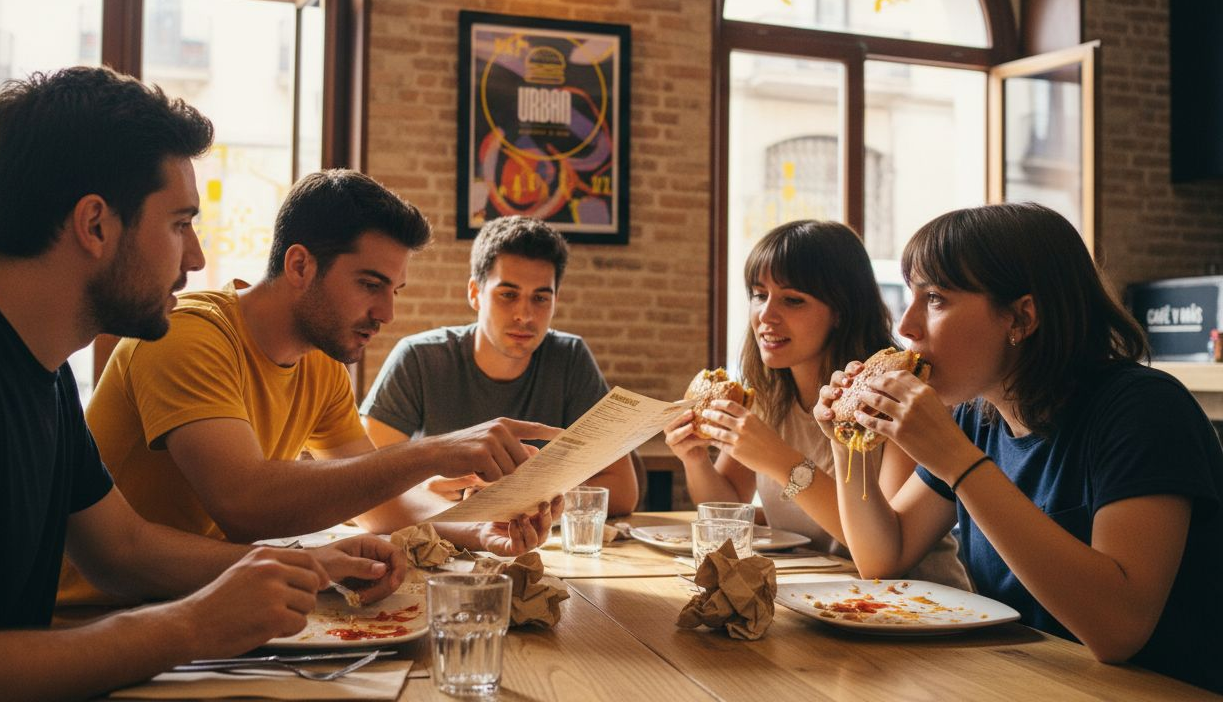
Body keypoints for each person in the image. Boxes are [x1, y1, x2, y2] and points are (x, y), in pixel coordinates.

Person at [0, 67, 405, 701]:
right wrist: (187, 626)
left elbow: (121, 549)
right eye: (180, 224)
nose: (196, 259)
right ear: (96, 225)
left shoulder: (35, 367)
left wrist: (310, 568)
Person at [59, 169, 561, 608]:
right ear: (299, 266)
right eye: (370, 284)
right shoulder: (188, 334)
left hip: (205, 601)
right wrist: (431, 453)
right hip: (97, 617)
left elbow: (378, 506)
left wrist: (477, 531)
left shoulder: (319, 364)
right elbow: (244, 503)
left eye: (393, 290)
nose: (387, 313)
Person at [813, 203, 1223, 693]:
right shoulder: (976, 415)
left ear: (1022, 317)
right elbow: (885, 556)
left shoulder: (1143, 410)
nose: (906, 326)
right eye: (911, 296)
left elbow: (1119, 631)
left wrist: (958, 464)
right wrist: (849, 443)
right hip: (1029, 680)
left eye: (936, 299)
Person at [662, 220, 967, 587]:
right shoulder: (771, 396)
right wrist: (694, 458)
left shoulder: (892, 396)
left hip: (920, 610)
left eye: (792, 300)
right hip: (823, 601)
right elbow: (728, 512)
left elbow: (884, 549)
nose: (766, 316)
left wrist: (782, 462)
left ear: (840, 311)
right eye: (759, 295)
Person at [360, 215, 639, 515]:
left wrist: (519, 497)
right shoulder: (419, 357)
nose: (525, 315)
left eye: (541, 298)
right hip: (445, 538)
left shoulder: (569, 357)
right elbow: (361, 484)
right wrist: (421, 491)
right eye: (508, 294)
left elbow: (622, 491)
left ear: (556, 300)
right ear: (475, 293)